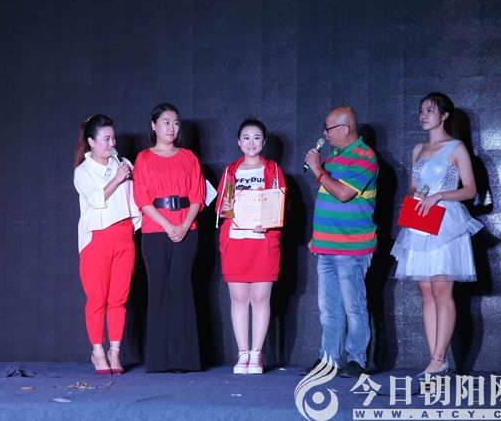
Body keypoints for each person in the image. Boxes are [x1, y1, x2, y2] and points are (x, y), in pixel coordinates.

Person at [391, 92, 483, 375]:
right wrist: (415, 194)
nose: (423, 115)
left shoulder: (456, 148)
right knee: (425, 290)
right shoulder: (418, 149)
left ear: (444, 116)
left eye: (429, 110)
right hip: (420, 219)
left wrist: (440, 195)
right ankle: (437, 361)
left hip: (445, 221)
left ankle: (438, 357)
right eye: (421, 110)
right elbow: (412, 185)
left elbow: (470, 190)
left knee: (442, 289)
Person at [302, 106, 379, 378]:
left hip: (352, 248)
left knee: (353, 307)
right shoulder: (335, 157)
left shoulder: (365, 157)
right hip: (327, 246)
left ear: (346, 129)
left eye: (329, 129)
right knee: (328, 309)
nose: (325, 134)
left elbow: (344, 193)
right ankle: (329, 360)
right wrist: (318, 235)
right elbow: (328, 199)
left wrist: (317, 170)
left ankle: (356, 358)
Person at [133, 103, 205, 373]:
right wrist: (167, 225)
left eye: (175, 122)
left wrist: (184, 225)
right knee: (158, 289)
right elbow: (142, 198)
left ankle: (185, 359)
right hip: (155, 230)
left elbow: (198, 195)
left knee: (181, 287)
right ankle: (159, 360)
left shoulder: (188, 157)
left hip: (187, 228)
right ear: (153, 125)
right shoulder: (143, 158)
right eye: (165, 122)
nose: (171, 128)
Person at [215, 118, 286, 375]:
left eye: (256, 137)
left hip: (262, 243)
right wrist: (225, 208)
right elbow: (222, 208)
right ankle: (242, 353)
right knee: (239, 299)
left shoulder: (273, 170)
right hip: (236, 242)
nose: (251, 142)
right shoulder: (231, 171)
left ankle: (256, 354)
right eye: (246, 137)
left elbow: (280, 204)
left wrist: (267, 222)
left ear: (264, 142)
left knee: (260, 298)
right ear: (238, 142)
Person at [73, 114, 141, 375]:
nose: (112, 143)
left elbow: (134, 199)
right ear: (91, 141)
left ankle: (115, 350)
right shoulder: (83, 171)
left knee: (118, 298)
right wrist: (118, 178)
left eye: (113, 138)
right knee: (97, 298)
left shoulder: (122, 163)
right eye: (106, 139)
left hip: (124, 235)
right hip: (97, 238)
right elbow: (96, 200)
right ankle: (97, 351)